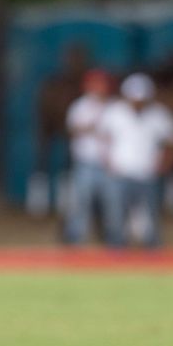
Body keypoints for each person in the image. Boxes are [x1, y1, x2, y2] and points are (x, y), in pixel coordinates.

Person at [98, 73, 173, 248]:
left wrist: (167, 162)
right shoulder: (115, 112)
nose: (137, 102)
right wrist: (107, 160)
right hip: (120, 172)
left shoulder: (158, 114)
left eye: (141, 99)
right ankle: (116, 251)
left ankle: (152, 251)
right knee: (116, 215)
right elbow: (102, 137)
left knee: (150, 216)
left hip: (147, 173)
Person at [61, 68, 113, 244]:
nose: (99, 88)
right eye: (95, 84)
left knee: (110, 204)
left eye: (101, 84)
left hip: (108, 164)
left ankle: (112, 240)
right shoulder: (80, 106)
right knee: (81, 203)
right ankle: (75, 239)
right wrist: (92, 127)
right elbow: (72, 129)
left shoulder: (113, 107)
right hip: (85, 162)